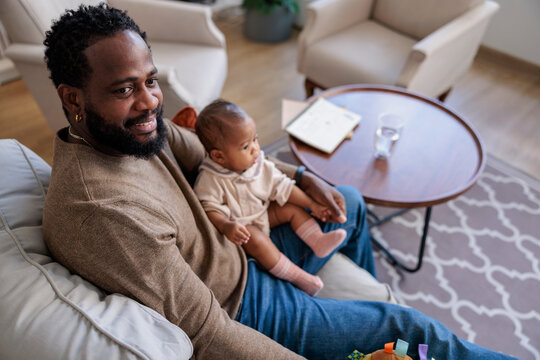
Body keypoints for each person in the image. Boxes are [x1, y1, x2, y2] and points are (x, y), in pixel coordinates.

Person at [41, 4, 517, 360]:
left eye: (151, 80)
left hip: (245, 247)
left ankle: (355, 291)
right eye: (124, 88)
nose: (149, 101)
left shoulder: (137, 131)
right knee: (410, 328)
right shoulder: (101, 207)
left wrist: (305, 176)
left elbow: (230, 163)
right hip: (242, 305)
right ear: (73, 98)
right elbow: (205, 331)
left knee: (347, 201)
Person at [193, 100, 347, 296]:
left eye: (255, 139)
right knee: (256, 240)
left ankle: (318, 241)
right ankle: (300, 278)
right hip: (242, 229)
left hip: (263, 213)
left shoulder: (258, 163)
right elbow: (209, 208)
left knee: (290, 208)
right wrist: (226, 226)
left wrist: (313, 204)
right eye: (245, 146)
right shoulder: (210, 179)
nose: (255, 149)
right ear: (219, 157)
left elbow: (281, 186)